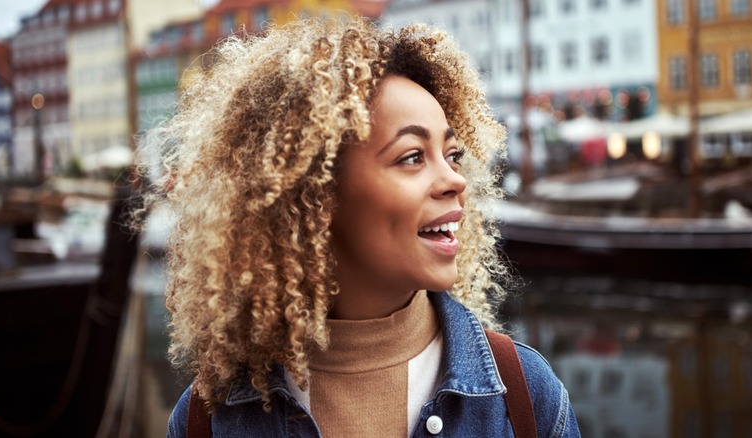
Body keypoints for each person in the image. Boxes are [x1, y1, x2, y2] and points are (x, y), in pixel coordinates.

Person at [136, 16, 580, 438]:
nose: (455, 180)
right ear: (317, 192)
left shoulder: (526, 396)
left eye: (452, 155)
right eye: (412, 157)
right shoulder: (209, 419)